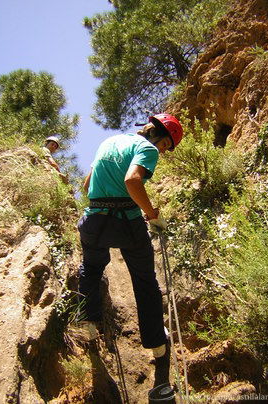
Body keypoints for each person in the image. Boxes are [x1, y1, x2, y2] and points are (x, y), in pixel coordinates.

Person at [77, 113, 183, 369]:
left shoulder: (107, 142)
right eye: (166, 144)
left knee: (91, 268)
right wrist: (152, 215)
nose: (163, 150)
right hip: (127, 220)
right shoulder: (147, 148)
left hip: (94, 218)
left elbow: (86, 184)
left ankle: (89, 323)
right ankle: (157, 344)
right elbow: (132, 180)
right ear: (157, 133)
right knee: (145, 280)